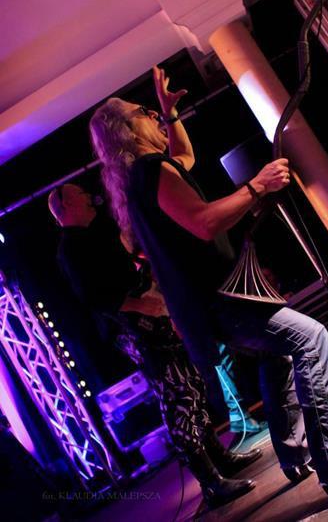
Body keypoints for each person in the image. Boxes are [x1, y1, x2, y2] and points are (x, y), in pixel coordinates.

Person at [89, 65, 328, 503]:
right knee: (311, 339)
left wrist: (169, 111)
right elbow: (203, 222)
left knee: (277, 355)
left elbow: (185, 157)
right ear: (127, 131)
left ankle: (294, 453)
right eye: (144, 112)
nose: (154, 116)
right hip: (219, 299)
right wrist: (257, 185)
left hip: (209, 303)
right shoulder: (149, 171)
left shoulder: (143, 179)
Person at [48, 182, 262, 508]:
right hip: (135, 329)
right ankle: (210, 481)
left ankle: (220, 459)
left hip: (151, 319)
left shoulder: (96, 232)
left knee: (191, 383)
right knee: (177, 394)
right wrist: (140, 305)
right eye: (79, 192)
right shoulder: (71, 248)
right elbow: (94, 297)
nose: (88, 195)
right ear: (65, 205)